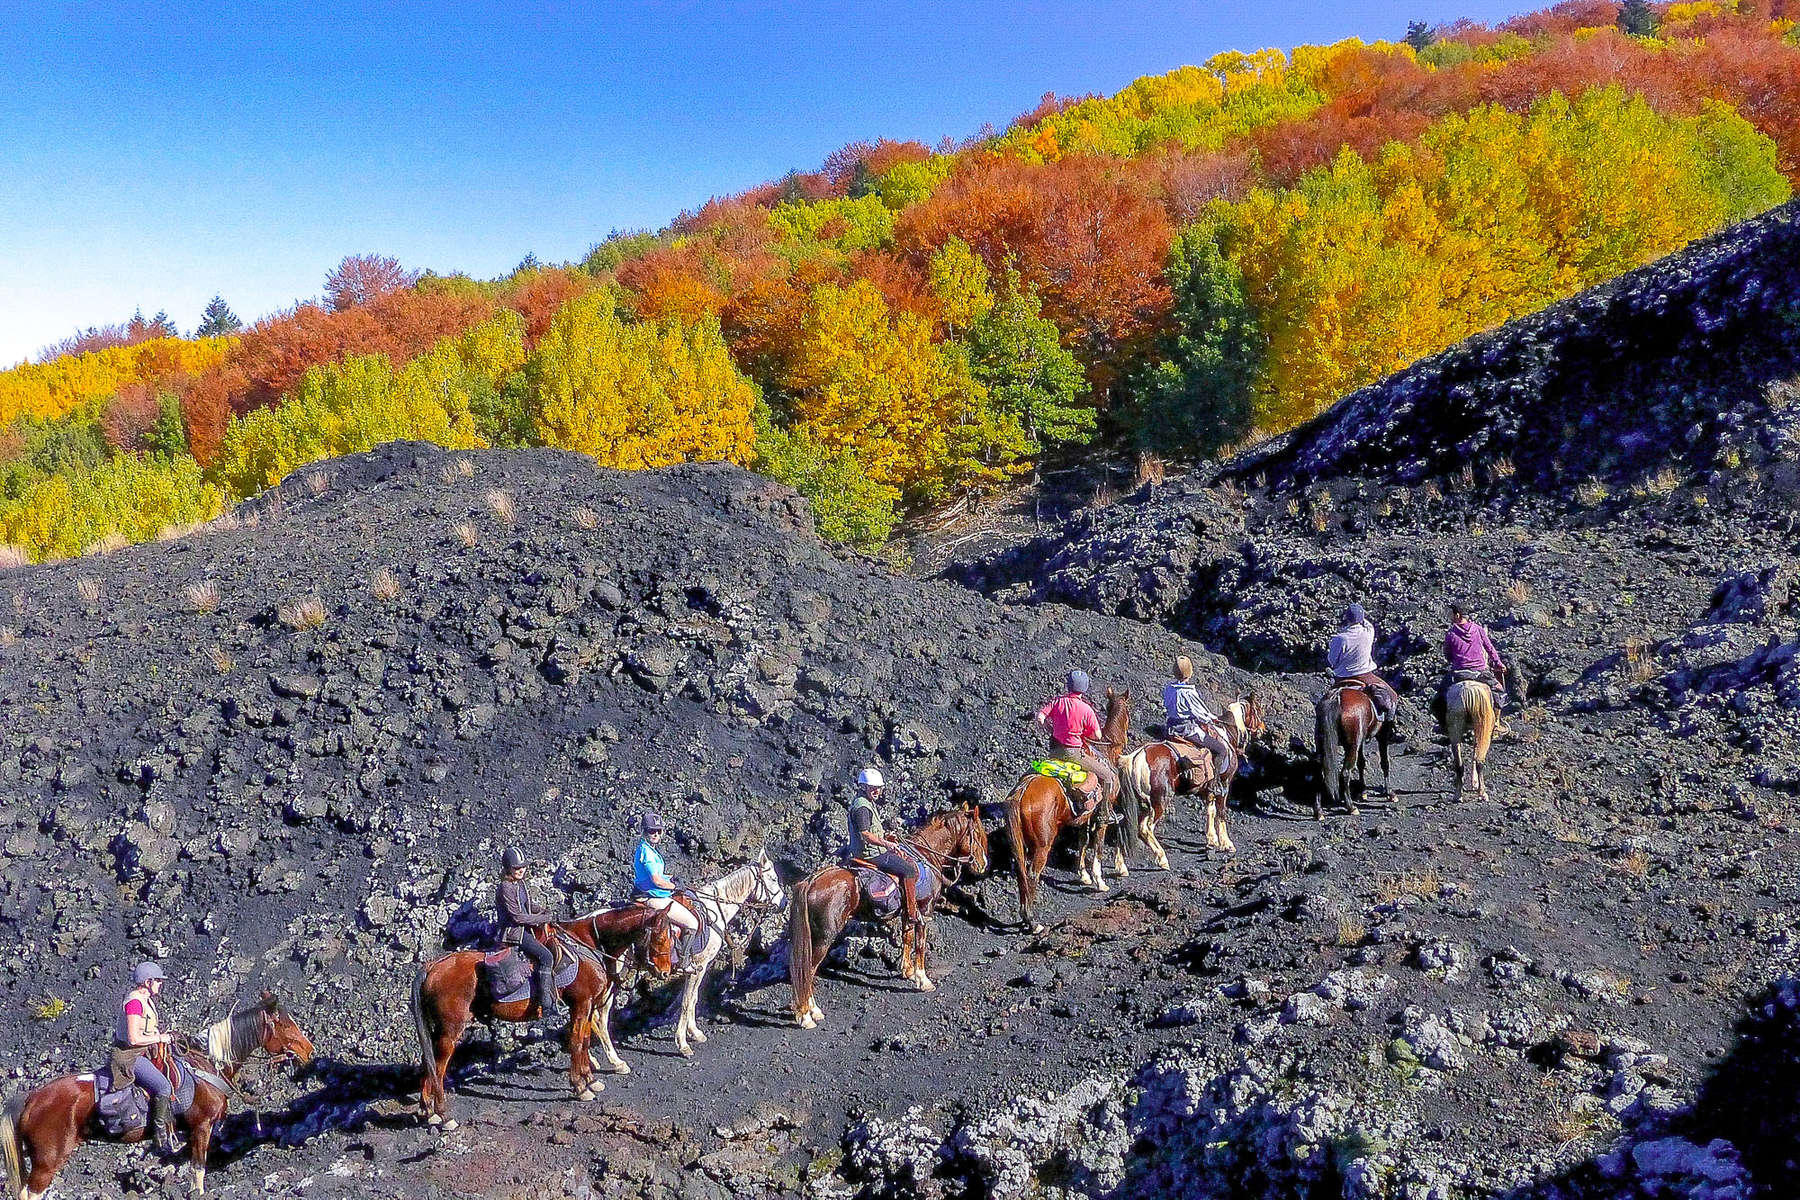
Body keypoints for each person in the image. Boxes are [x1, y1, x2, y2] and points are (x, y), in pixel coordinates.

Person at [114, 961, 181, 1153]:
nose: (160, 984)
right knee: (163, 1086)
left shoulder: (147, 1000)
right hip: (129, 1056)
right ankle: (159, 1135)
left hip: (143, 1051)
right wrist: (160, 1037)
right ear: (147, 982)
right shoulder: (135, 1002)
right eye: (158, 981)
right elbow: (134, 1038)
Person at [846, 766, 922, 927]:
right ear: (864, 787)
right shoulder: (862, 807)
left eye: (878, 788)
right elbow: (865, 834)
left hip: (869, 850)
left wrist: (885, 836)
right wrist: (887, 843)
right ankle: (911, 912)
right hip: (871, 853)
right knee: (909, 870)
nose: (876, 791)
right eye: (873, 788)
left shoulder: (865, 802)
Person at [1035, 670, 1119, 811]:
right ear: (1085, 688)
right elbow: (1097, 736)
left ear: (1068, 685)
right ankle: (1105, 814)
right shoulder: (1086, 709)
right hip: (1073, 754)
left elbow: (1040, 717)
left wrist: (1049, 728)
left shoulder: (1057, 702)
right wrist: (1084, 734)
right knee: (1108, 776)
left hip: (1054, 752)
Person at [495, 846, 563, 1019]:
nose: (521, 870)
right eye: (517, 868)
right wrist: (542, 919)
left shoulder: (520, 883)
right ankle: (546, 1003)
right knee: (546, 957)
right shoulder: (506, 887)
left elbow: (528, 906)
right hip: (513, 932)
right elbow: (517, 916)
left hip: (525, 928)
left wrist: (544, 911)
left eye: (523, 867)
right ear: (508, 868)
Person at [1162, 656, 1236, 792]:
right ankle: (1213, 785)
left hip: (1170, 728)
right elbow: (1200, 713)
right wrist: (1212, 718)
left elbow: (1165, 705)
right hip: (1186, 730)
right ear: (1189, 672)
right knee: (1221, 750)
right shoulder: (1188, 692)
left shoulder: (1168, 688)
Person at [632, 814, 699, 962]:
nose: (656, 834)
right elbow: (656, 881)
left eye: (659, 831)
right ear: (643, 831)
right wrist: (675, 886)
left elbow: (659, 875)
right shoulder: (647, 852)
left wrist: (671, 878)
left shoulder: (649, 849)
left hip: (653, 893)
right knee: (692, 923)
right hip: (651, 897)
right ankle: (683, 961)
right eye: (651, 831)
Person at [1327, 603, 1399, 727]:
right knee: (1393, 696)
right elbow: (1368, 624)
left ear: (1346, 618)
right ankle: (1389, 726)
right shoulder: (1369, 632)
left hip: (1342, 677)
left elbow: (1332, 661)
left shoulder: (1339, 638)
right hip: (1365, 676)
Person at [1444, 601, 1507, 709]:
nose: (1450, 617)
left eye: (1451, 614)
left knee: (1439, 699)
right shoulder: (1478, 629)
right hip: (1480, 672)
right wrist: (1499, 664)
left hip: (1460, 673)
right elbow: (1490, 648)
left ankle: (1443, 724)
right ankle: (1496, 722)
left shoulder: (1451, 633)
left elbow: (1448, 655)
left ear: (1457, 615)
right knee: (1499, 691)